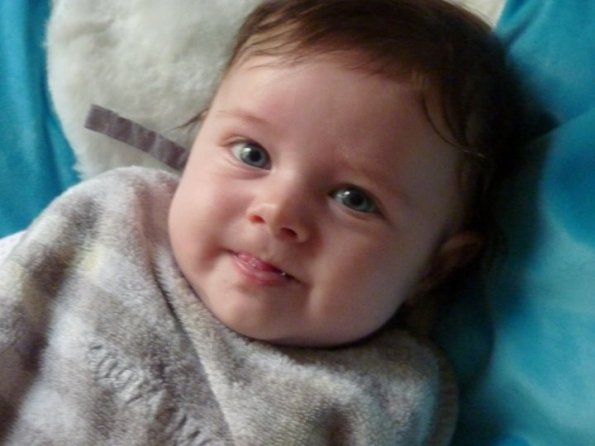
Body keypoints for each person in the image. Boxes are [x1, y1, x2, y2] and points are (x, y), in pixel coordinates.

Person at [0, 0, 522, 444]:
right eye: (252, 154)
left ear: (433, 267)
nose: (278, 212)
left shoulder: (376, 400)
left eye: (354, 199)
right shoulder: (112, 222)